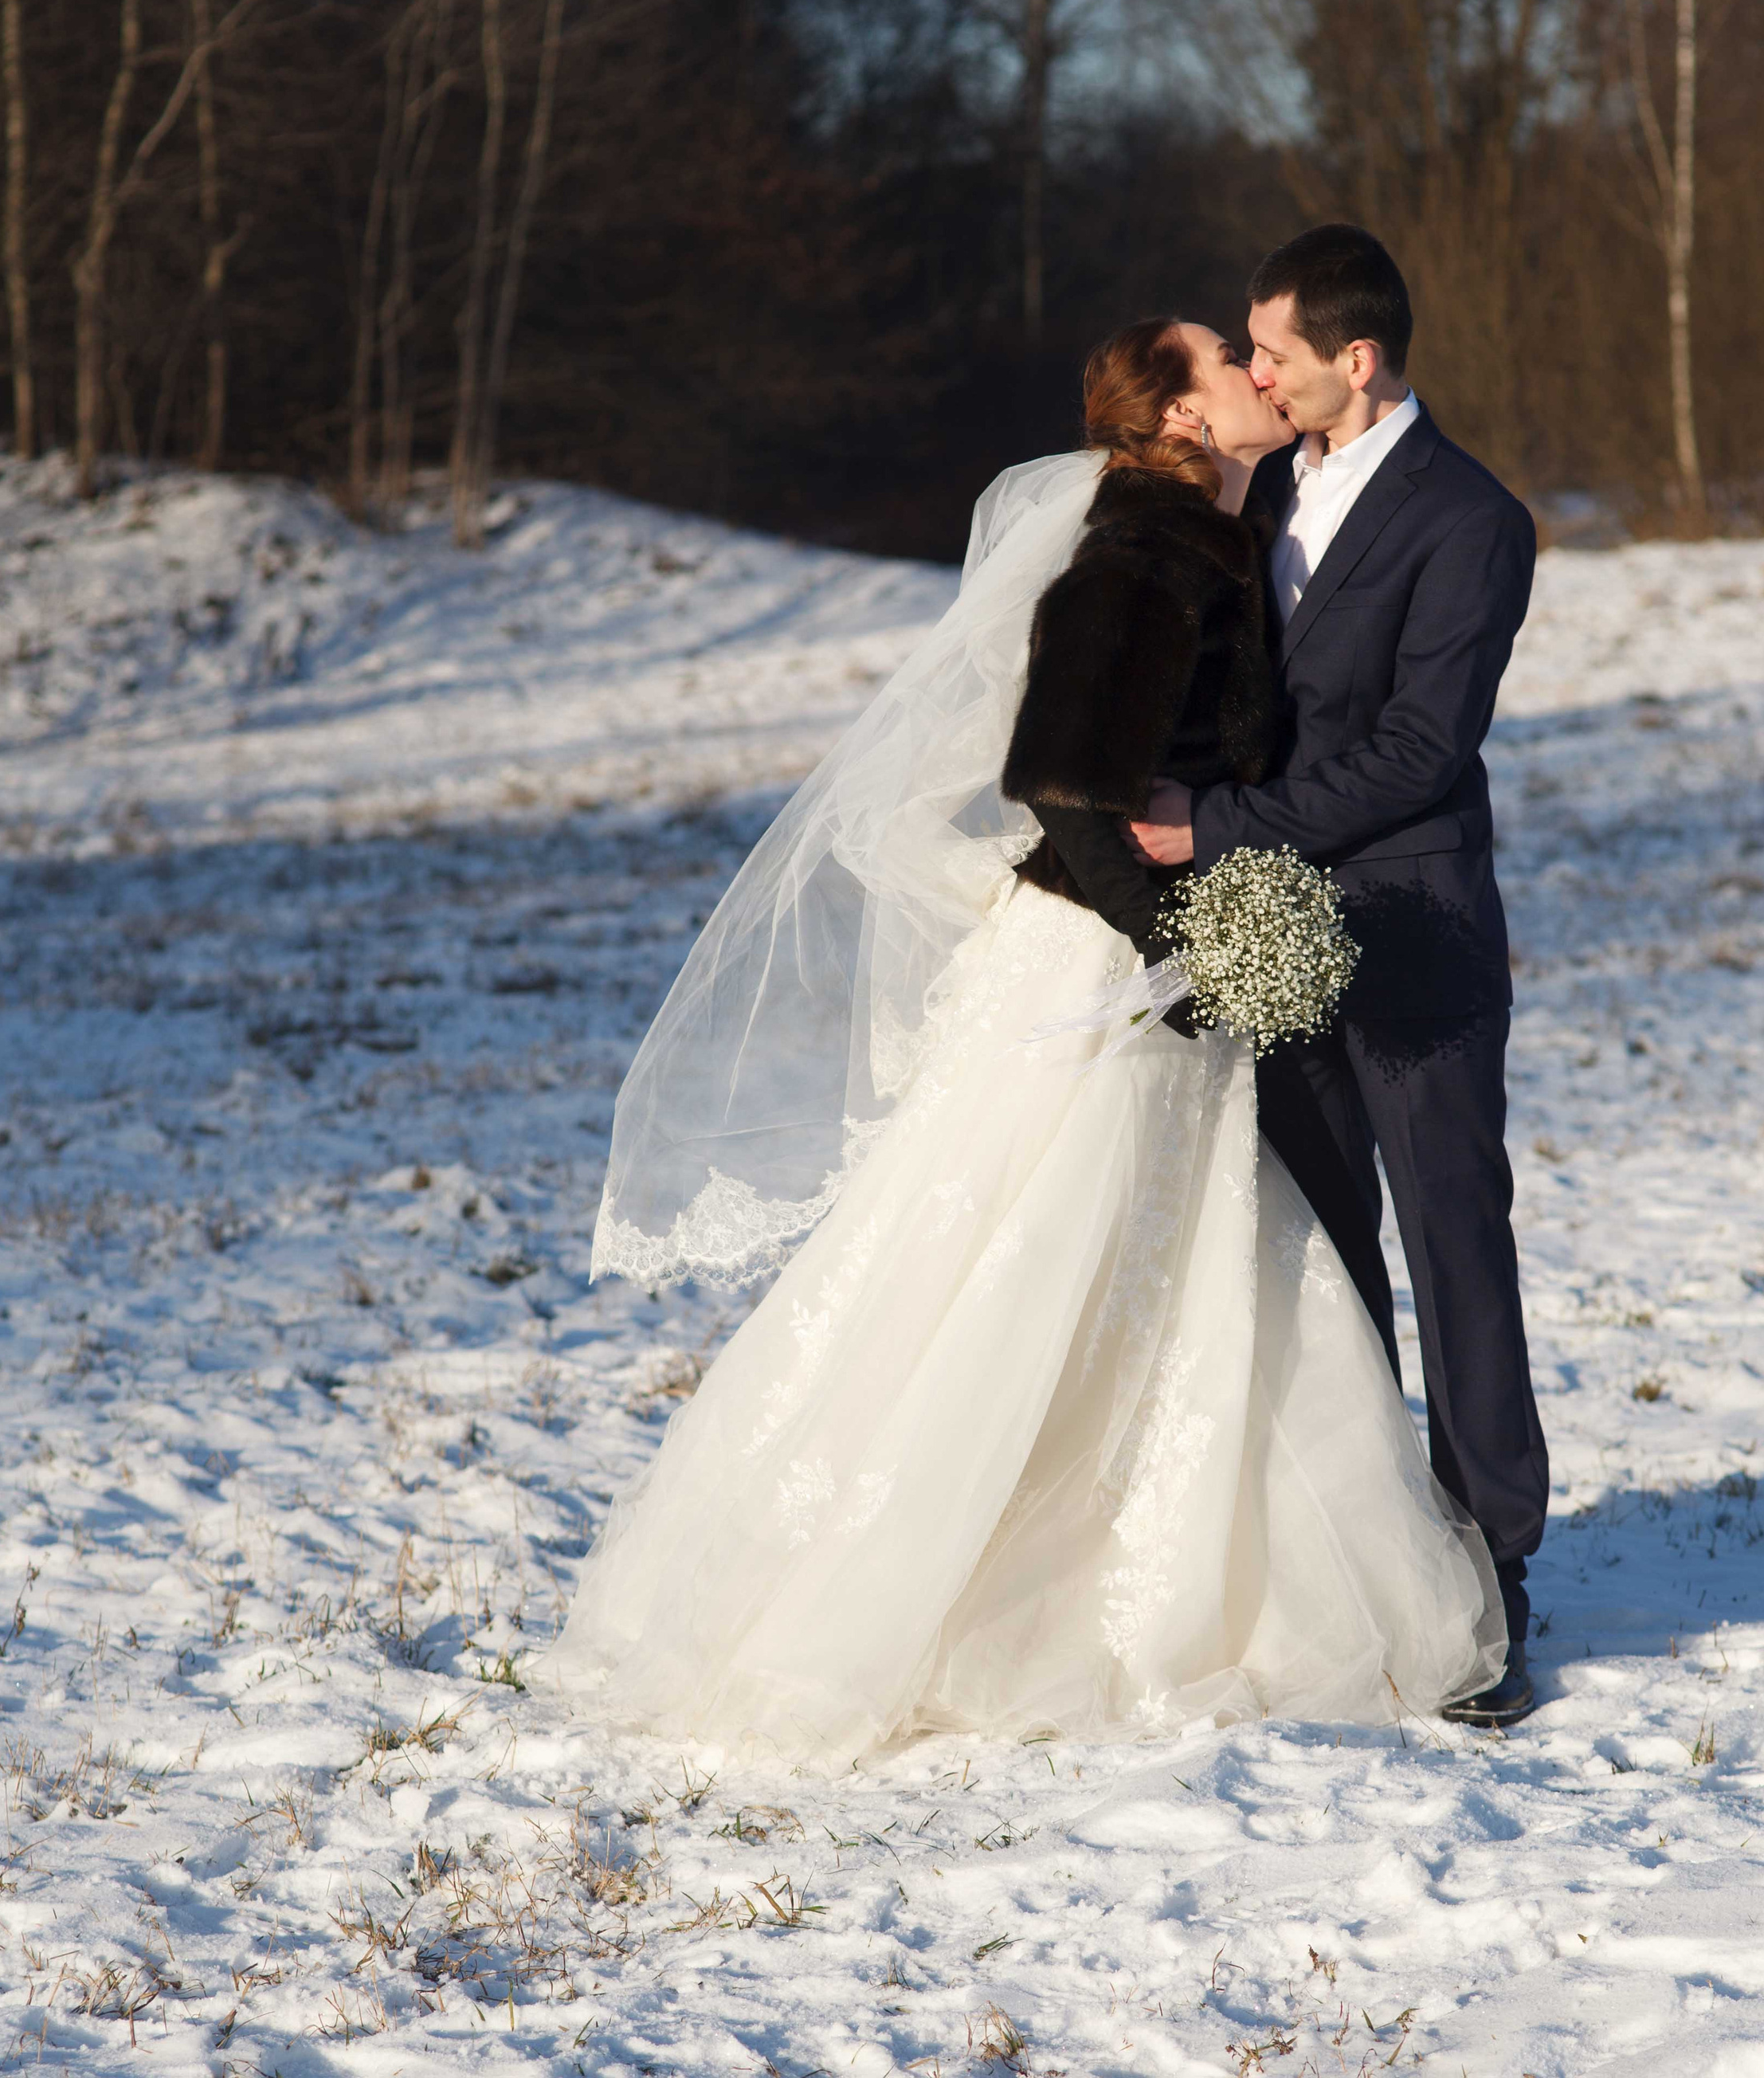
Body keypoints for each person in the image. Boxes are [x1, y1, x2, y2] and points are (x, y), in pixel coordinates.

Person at [539, 315, 1504, 1768]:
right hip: (1096, 966)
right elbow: (1063, 781)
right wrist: (1174, 944)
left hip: (1162, 969)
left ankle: (1142, 1574)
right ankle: (910, 1602)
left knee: (1163, 1272)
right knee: (1021, 1259)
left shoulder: (1220, 539)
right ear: (1180, 419)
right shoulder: (1139, 556)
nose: (1257, 373)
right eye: (1223, 359)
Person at [1130, 225, 1546, 1727]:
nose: (1255, 372)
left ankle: (1494, 1575)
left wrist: (1216, 826)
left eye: (1274, 352)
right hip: (1270, 934)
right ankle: (1376, 1563)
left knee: (1455, 1241)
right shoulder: (1257, 496)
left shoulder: (1473, 521)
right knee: (1321, 1250)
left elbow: (1422, 752)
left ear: (1353, 360)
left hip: (1415, 929)